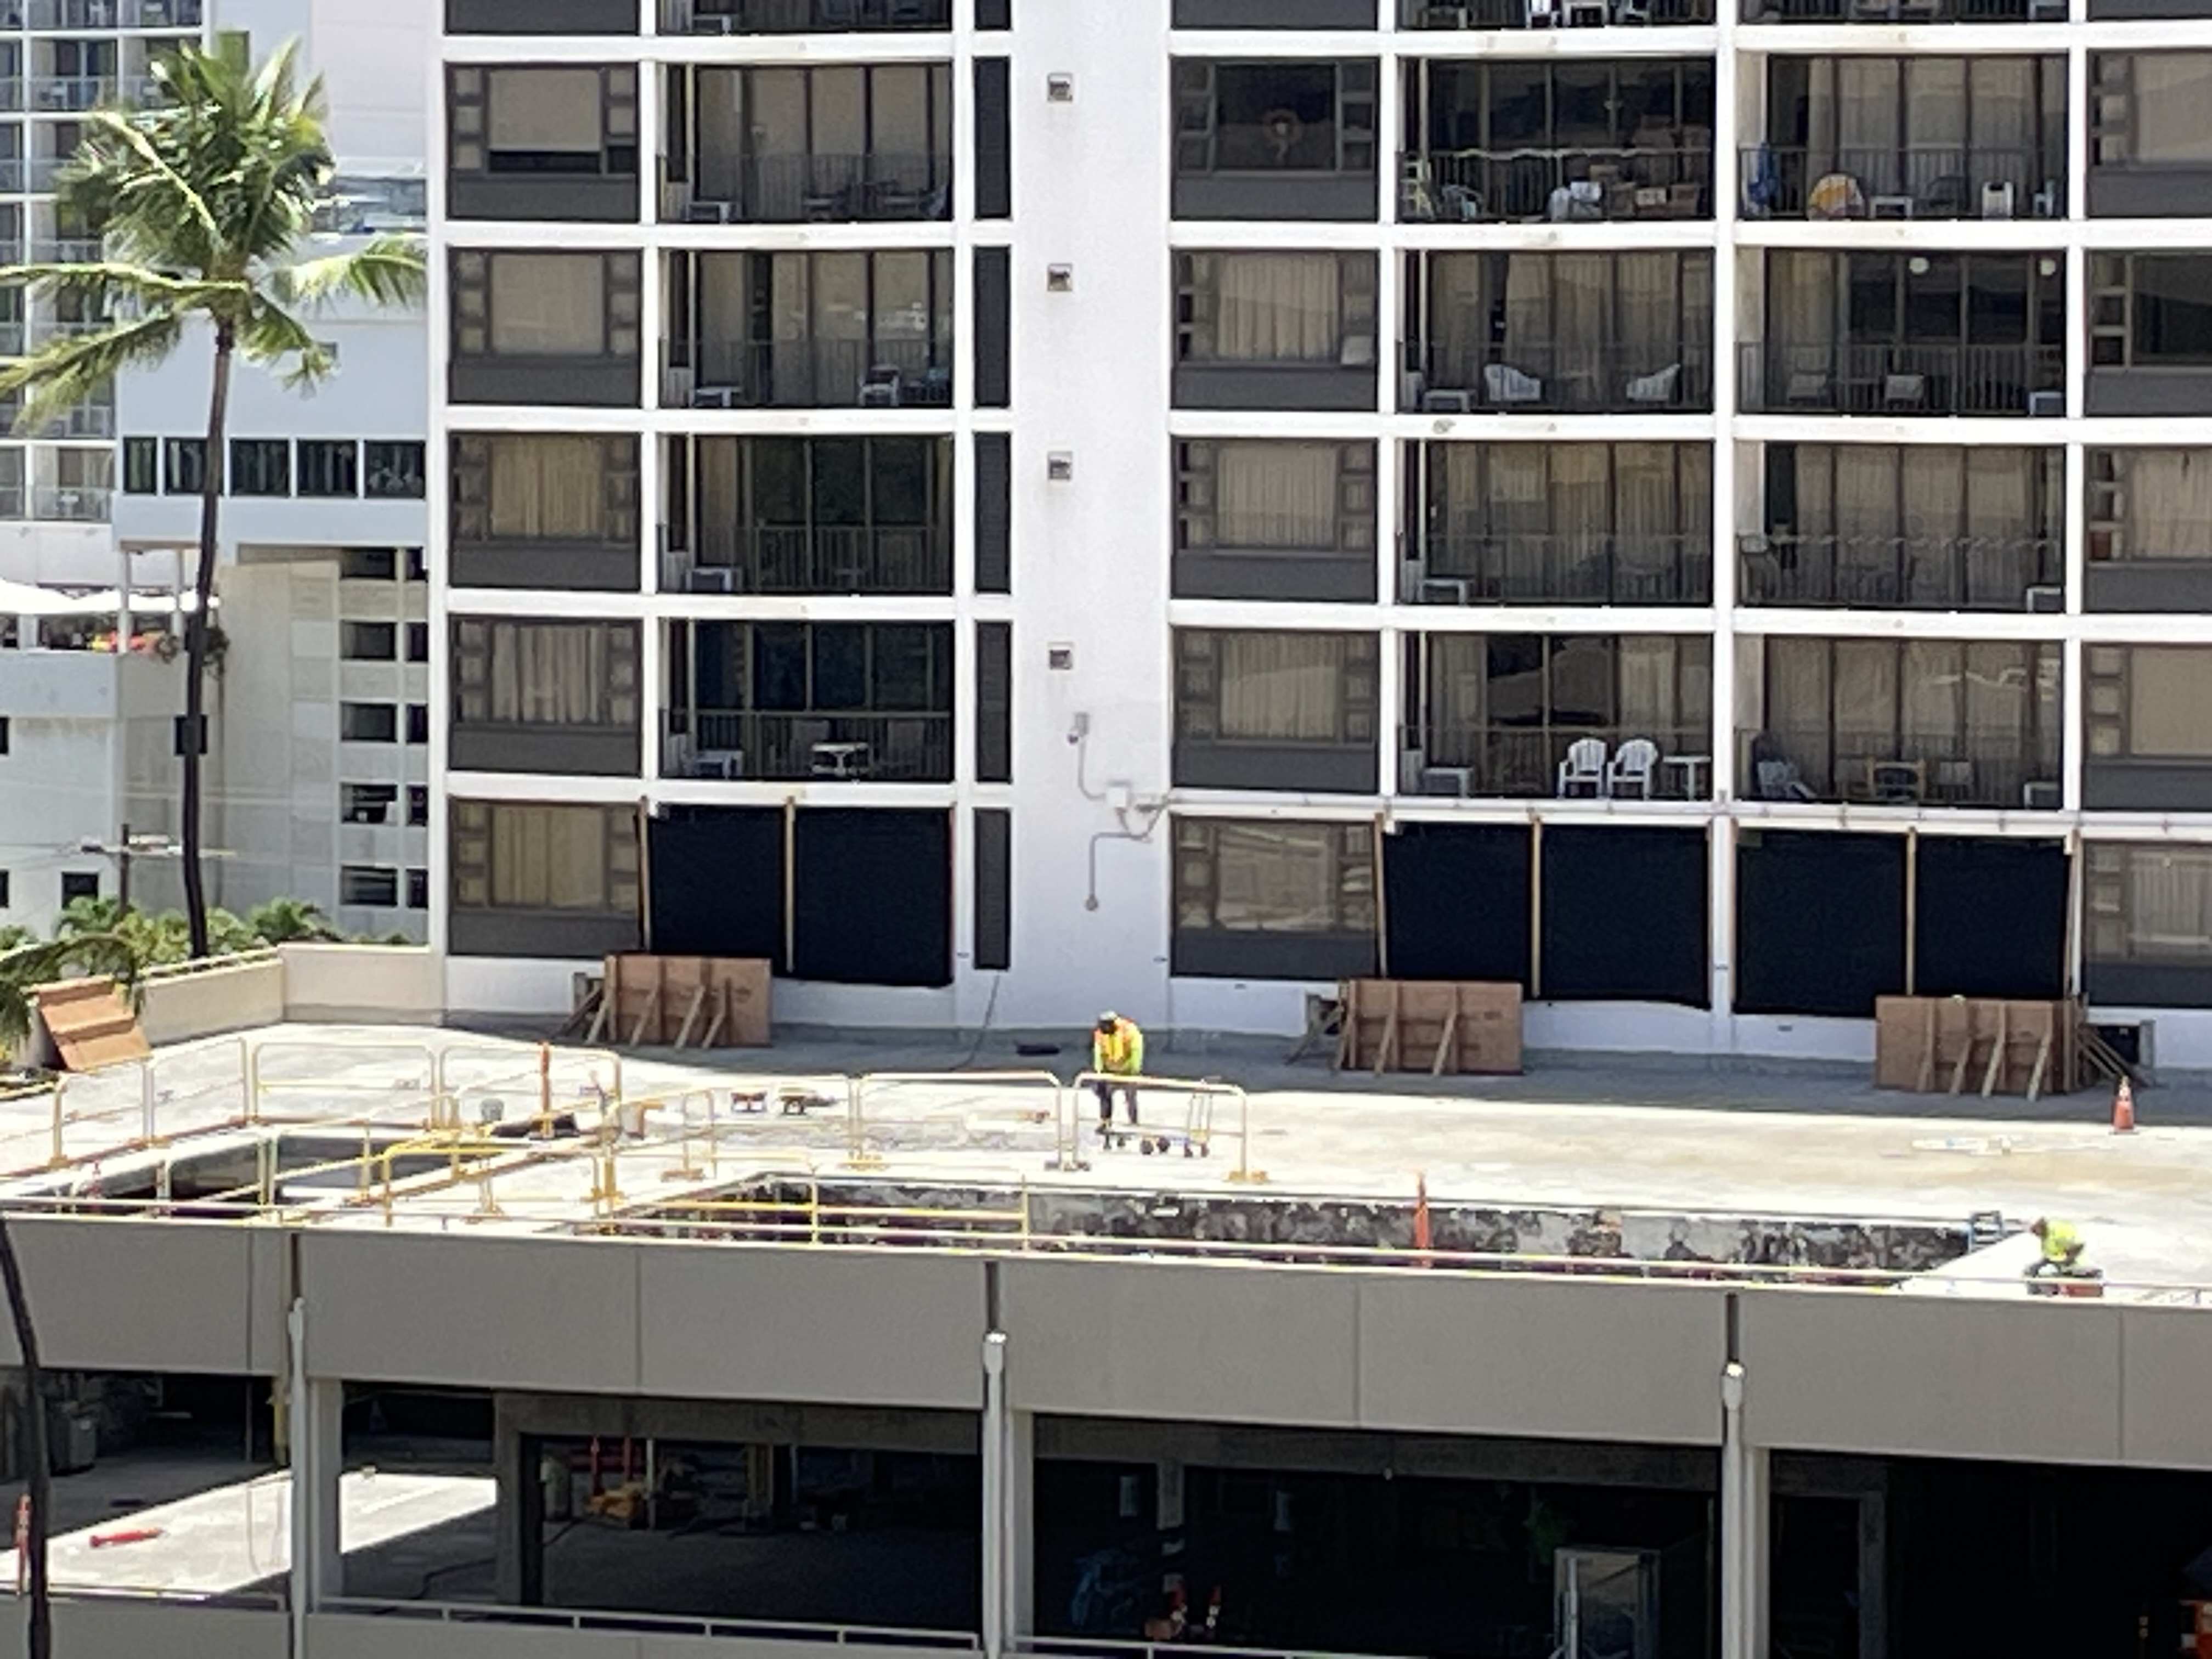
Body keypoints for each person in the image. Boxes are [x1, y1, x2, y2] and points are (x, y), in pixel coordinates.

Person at [1092, 1011, 1144, 1131]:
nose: (1104, 1028)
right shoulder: (1100, 1034)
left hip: (1128, 1072)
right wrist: (1099, 1071)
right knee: (1104, 1095)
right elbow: (1098, 1052)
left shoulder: (1129, 1031)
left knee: (1130, 1097)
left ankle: (1133, 1123)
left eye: (1106, 1025)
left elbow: (1137, 1049)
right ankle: (1105, 1122)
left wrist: (1135, 1069)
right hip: (1110, 1071)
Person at [2026, 1216, 2084, 1280]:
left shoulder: (2058, 1230)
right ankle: (2036, 1289)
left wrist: (2065, 1264)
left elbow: (2078, 1246)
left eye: (2034, 1230)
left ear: (2041, 1224)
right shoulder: (2044, 1234)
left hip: (2068, 1262)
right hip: (2053, 1260)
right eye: (2032, 1231)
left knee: (2046, 1273)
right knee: (2029, 1271)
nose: (2034, 1234)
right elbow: (2050, 1254)